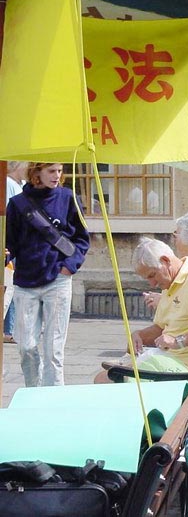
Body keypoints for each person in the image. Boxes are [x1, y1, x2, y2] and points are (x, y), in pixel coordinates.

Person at [95, 238, 188, 382]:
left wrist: (179, 341)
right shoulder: (171, 282)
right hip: (173, 359)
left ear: (165, 261)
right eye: (147, 279)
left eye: (152, 275)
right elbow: (162, 328)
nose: (152, 284)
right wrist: (140, 335)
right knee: (105, 376)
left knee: (104, 380)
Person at [7, 162, 90, 387]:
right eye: (51, 171)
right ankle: (34, 393)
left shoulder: (68, 198)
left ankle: (54, 399)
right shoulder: (17, 203)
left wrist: (69, 266)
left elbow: (82, 238)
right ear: (36, 172)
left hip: (58, 279)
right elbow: (10, 243)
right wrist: (6, 254)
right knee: (26, 347)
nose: (57, 175)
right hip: (25, 281)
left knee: (53, 350)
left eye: (60, 171)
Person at [4, 161, 28, 344]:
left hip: (21, 244)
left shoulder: (21, 185)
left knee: (12, 287)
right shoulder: (8, 184)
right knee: (9, 286)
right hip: (12, 245)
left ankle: (11, 328)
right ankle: (8, 329)